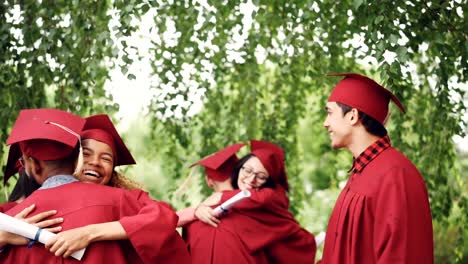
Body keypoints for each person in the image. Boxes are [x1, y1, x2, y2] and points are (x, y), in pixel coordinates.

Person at [0, 108, 190, 263]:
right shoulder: (10, 222)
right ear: (77, 159)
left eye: (105, 158)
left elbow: (163, 219)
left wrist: (90, 233)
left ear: (32, 164)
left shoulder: (11, 218)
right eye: (87, 154)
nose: (95, 163)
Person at [320, 73, 433, 263]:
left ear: (352, 116)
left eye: (330, 112)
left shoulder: (396, 175)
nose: (326, 123)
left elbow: (402, 256)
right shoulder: (361, 171)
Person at [185, 140, 317, 263]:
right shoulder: (259, 216)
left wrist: (212, 202)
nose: (251, 179)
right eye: (247, 170)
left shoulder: (191, 224)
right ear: (237, 170)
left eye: (261, 177)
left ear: (208, 182)